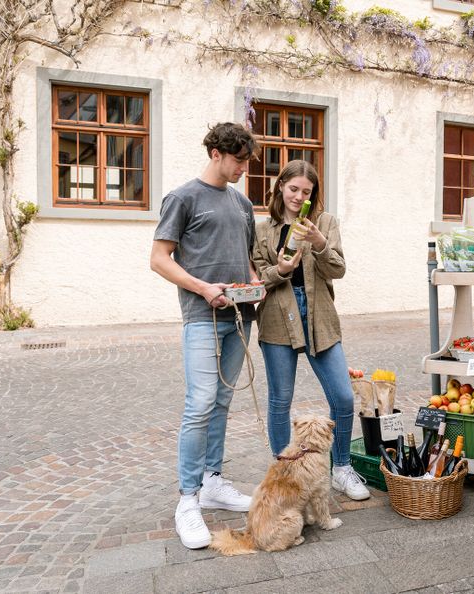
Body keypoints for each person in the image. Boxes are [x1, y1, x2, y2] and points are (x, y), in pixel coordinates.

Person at [150, 122, 263, 549]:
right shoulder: (182, 198)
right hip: (200, 316)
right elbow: (159, 259)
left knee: (221, 400)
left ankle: (213, 480)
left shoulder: (242, 203)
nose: (242, 170)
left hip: (241, 316)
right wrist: (202, 288)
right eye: (237, 161)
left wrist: (255, 282)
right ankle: (188, 499)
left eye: (245, 163)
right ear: (216, 153)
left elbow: (246, 258)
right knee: (198, 405)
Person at [251, 160, 370, 501]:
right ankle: (282, 472)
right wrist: (281, 270)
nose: (298, 196)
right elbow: (259, 278)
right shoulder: (264, 229)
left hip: (319, 315)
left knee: (343, 396)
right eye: (293, 189)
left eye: (306, 191)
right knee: (280, 400)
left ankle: (342, 468)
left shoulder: (325, 222)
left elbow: (338, 269)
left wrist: (319, 242)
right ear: (280, 187)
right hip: (277, 315)